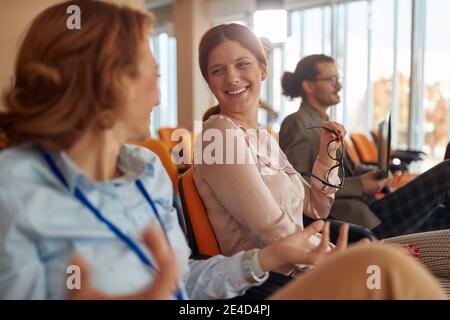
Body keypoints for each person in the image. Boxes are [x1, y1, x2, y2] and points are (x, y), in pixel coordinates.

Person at [0, 1, 445, 300]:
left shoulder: (144, 173)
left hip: (268, 271)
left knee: (419, 254)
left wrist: (327, 156)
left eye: (243, 65)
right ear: (103, 79)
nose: (159, 96)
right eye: (150, 74)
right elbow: (280, 228)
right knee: (386, 269)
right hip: (268, 288)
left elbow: (188, 281)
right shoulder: (13, 188)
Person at [279, 54, 450, 239]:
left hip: (368, 210)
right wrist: (360, 185)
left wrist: (373, 174)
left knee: (444, 218)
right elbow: (296, 185)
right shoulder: (297, 123)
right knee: (447, 171)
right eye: (332, 79)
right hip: (359, 222)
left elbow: (347, 170)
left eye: (339, 79)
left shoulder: (324, 122)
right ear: (309, 86)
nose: (339, 86)